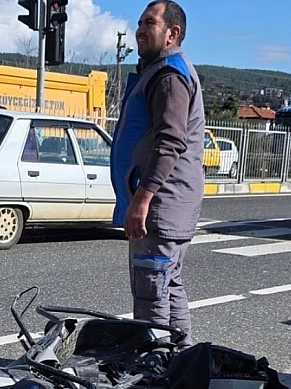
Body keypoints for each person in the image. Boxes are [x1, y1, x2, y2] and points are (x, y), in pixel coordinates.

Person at [109, 0, 205, 349]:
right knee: (169, 284)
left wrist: (142, 199)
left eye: (149, 23)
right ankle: (179, 362)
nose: (139, 30)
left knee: (152, 294)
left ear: (172, 33)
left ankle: (155, 370)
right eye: (139, 22)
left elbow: (170, 142)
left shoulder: (168, 76)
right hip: (172, 203)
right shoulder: (163, 71)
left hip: (161, 205)